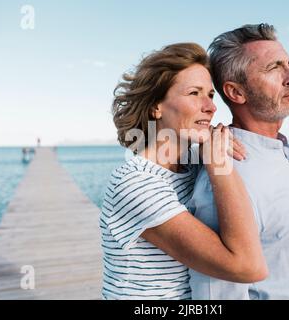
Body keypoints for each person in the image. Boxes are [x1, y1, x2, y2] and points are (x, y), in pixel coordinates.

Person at [100, 43, 267, 300]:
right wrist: (217, 164)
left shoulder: (193, 163)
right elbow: (248, 267)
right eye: (194, 93)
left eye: (210, 95)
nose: (210, 107)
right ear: (156, 106)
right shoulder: (135, 183)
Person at [189, 23, 289, 300]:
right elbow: (215, 296)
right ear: (236, 93)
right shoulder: (226, 176)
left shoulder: (279, 153)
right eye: (274, 68)